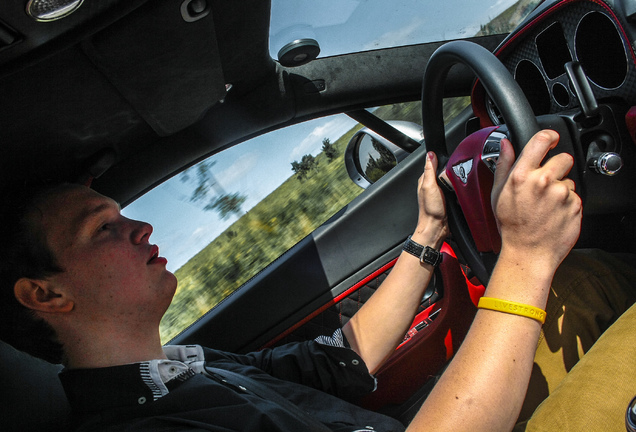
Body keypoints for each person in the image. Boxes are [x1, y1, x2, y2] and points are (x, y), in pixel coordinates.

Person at [0, 129, 634, 431]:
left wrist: (427, 234)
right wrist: (523, 256)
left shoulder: (185, 369)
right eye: (102, 229)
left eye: (123, 213)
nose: (138, 227)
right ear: (47, 295)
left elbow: (344, 362)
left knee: (585, 278)